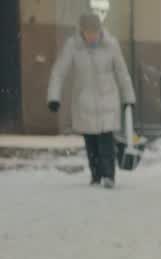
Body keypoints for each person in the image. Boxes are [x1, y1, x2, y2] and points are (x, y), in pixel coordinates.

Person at [46, 12, 136, 189]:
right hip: (84, 101)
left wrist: (128, 98)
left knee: (106, 141)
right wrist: (53, 98)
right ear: (81, 31)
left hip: (107, 101)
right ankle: (96, 175)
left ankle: (109, 176)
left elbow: (122, 73)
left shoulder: (111, 45)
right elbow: (59, 72)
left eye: (94, 32)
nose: (92, 36)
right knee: (91, 142)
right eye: (88, 33)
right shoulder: (73, 46)